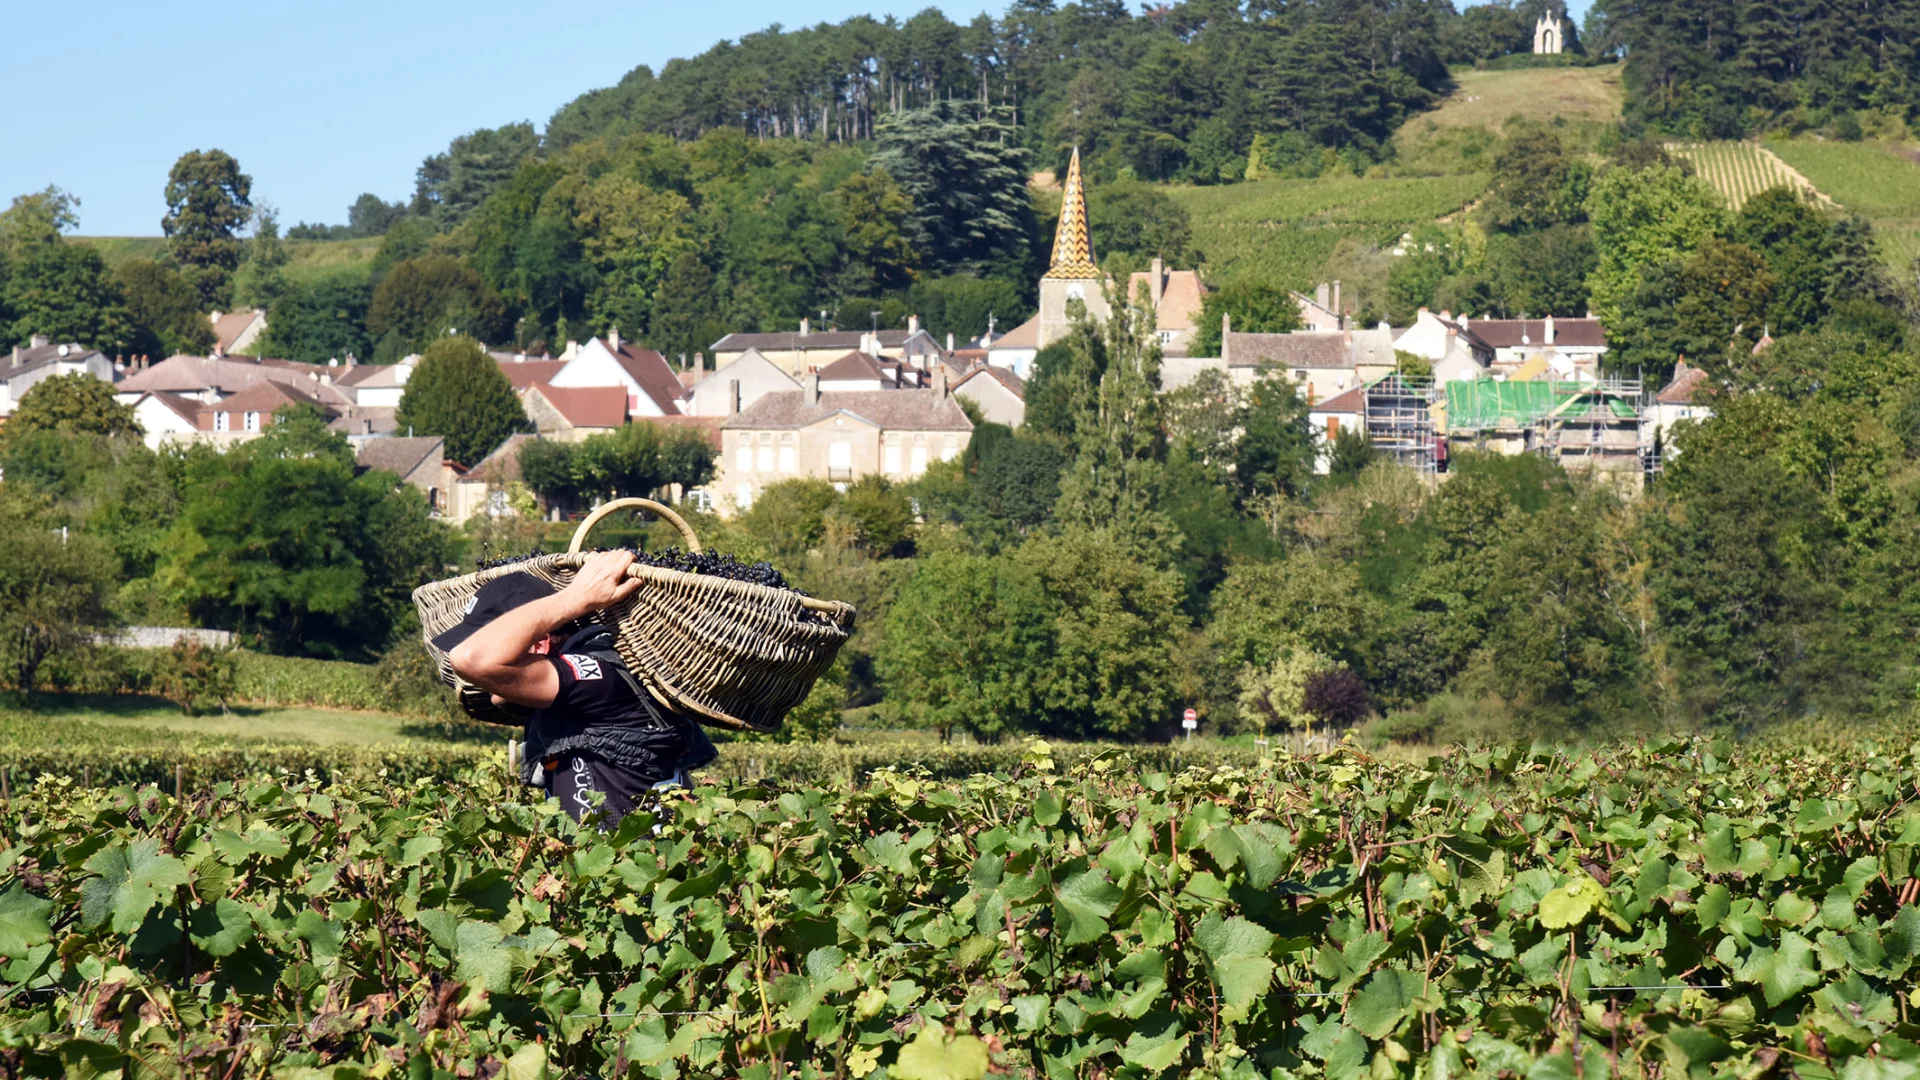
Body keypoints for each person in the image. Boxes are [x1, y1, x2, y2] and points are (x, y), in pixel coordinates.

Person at [438, 550, 715, 825]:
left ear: (539, 644)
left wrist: (577, 597)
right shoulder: (566, 690)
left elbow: (471, 659)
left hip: (634, 853)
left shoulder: (600, 678)